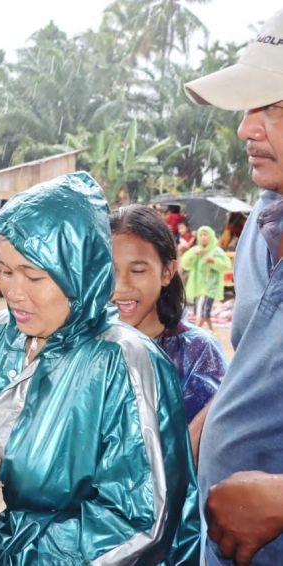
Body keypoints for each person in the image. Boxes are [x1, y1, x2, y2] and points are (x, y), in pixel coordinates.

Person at [0, 172, 199, 564]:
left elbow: (140, 524)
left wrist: (2, 544)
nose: (14, 292)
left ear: (80, 272)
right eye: (6, 271)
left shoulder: (124, 362)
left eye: (33, 276)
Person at [184, 8, 283, 564]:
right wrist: (207, 428)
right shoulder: (261, 227)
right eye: (250, 106)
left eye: (276, 108)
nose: (246, 127)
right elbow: (257, 366)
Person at [110, 205, 227, 426]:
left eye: (137, 271)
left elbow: (208, 445)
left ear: (167, 272)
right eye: (110, 271)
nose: (121, 286)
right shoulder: (88, 348)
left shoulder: (198, 353)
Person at [180, 226, 231, 332]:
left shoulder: (217, 251)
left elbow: (226, 266)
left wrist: (214, 261)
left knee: (201, 310)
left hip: (211, 286)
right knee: (202, 310)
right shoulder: (195, 250)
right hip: (197, 286)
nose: (203, 237)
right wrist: (194, 255)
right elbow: (185, 264)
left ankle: (195, 332)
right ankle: (211, 330)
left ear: (211, 236)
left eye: (205, 234)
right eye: (201, 235)